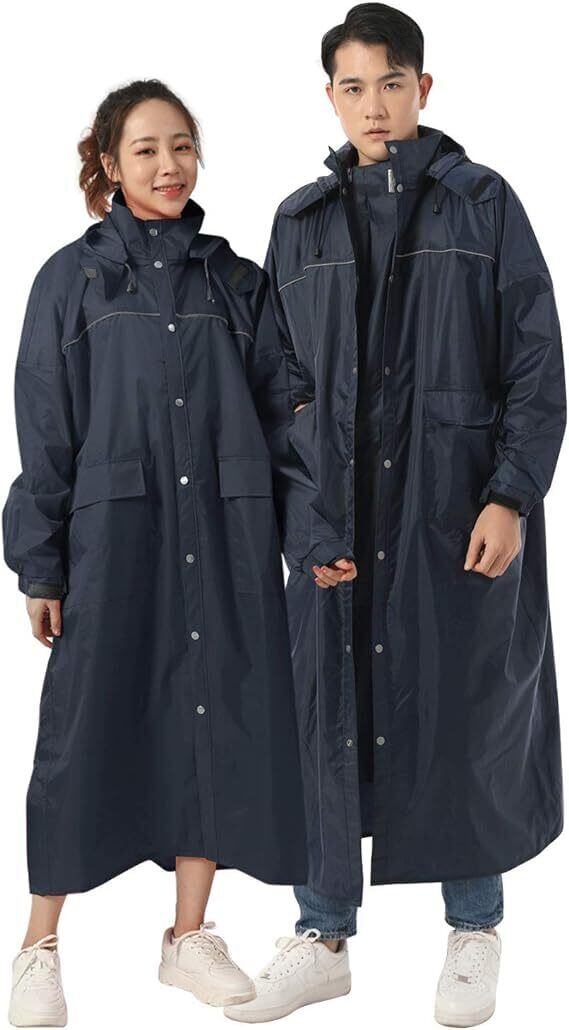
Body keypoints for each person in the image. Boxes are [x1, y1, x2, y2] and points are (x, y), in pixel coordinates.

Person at [224, 4, 566, 1027]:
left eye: (389, 82)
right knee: (324, 711)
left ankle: (474, 929)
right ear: (329, 97)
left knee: (460, 707)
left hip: (449, 508)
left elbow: (534, 361)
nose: (371, 104)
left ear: (423, 88)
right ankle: (322, 932)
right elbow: (274, 387)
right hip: (335, 514)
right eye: (352, 86)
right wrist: (300, 521)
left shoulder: (481, 203)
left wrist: (509, 492)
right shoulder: (298, 221)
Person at [3, 78, 308, 1027]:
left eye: (182, 145)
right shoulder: (72, 279)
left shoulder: (237, 281)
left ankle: (189, 934)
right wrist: (41, 562)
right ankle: (38, 945)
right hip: (116, 537)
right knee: (81, 729)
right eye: (146, 149)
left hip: (224, 531)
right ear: (108, 163)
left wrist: (315, 535)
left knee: (211, 718)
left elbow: (285, 418)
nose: (169, 165)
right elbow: (45, 428)